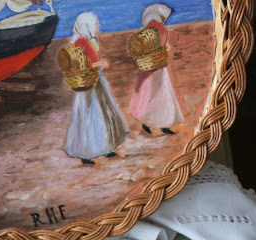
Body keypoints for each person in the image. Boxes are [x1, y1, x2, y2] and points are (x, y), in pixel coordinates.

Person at [64, 12, 129, 165]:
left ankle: (102, 148)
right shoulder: (83, 42)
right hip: (92, 82)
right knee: (95, 113)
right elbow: (89, 63)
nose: (98, 26)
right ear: (87, 25)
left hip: (92, 81)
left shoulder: (80, 40)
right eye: (96, 23)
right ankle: (94, 149)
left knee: (93, 113)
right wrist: (103, 63)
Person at [128, 3, 184, 135]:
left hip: (148, 66)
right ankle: (162, 123)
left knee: (147, 93)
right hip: (158, 65)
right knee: (161, 93)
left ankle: (149, 122)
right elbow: (162, 44)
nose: (164, 20)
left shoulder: (147, 29)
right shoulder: (159, 28)